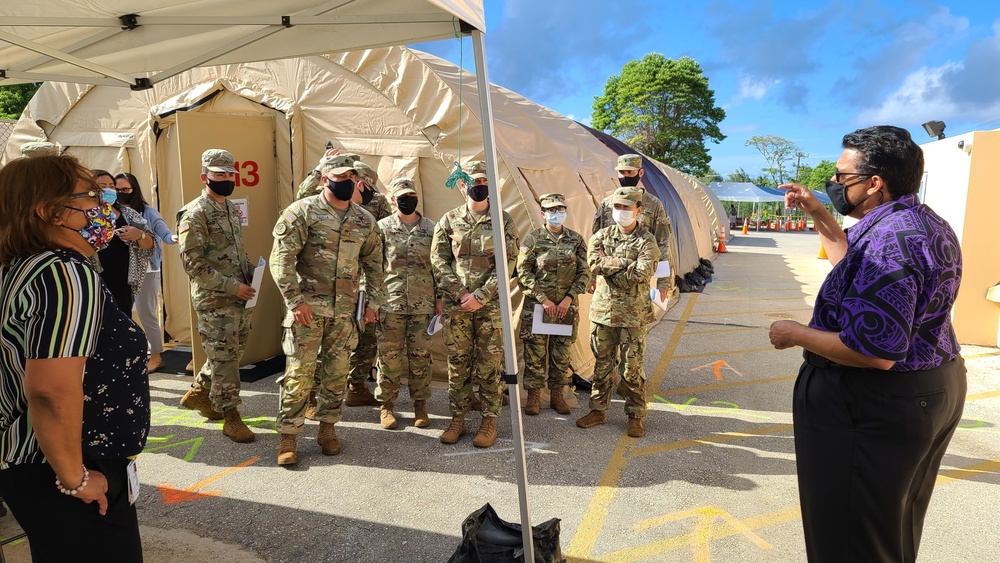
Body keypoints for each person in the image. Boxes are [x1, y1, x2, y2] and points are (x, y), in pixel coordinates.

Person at [769, 125, 966, 563]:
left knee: (849, 539)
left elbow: (874, 352)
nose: (835, 184)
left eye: (843, 177)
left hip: (872, 403)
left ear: (875, 182)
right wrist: (818, 212)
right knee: (886, 528)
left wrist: (794, 333)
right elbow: (847, 263)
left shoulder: (890, 242)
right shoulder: (914, 221)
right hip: (929, 387)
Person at [0, 154, 150, 561]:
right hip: (65, 464)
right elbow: (50, 391)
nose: (103, 208)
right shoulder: (64, 274)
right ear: (48, 211)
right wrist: (75, 478)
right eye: (90, 197)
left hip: (47, 460)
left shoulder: (23, 266)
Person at [270, 154, 383, 465]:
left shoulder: (364, 221)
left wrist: (373, 301)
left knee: (336, 375)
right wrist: (295, 301)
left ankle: (328, 429)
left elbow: (375, 265)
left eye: (352, 178)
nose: (347, 183)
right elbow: (281, 263)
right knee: (299, 375)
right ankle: (289, 437)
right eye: (341, 177)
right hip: (307, 310)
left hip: (344, 314)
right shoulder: (301, 213)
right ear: (324, 179)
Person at [431, 160, 519, 448]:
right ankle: (457, 419)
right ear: (462, 184)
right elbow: (439, 261)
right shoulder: (448, 220)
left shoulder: (503, 221)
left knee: (489, 366)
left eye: (483, 183)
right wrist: (460, 294)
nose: (478, 187)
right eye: (473, 182)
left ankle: (488, 422)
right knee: (458, 364)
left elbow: (508, 263)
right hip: (457, 307)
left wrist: (480, 296)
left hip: (489, 307)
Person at [176, 149, 257, 443]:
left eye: (229, 174)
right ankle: (231, 417)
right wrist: (232, 286)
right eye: (218, 174)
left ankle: (201, 394)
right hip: (215, 299)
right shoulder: (194, 213)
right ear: (205, 176)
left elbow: (235, 251)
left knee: (230, 353)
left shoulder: (230, 209)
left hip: (239, 295)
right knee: (225, 358)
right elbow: (193, 264)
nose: (225, 179)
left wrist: (251, 271)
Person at [577, 187, 659, 437]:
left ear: (638, 210)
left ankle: (635, 415)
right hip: (603, 313)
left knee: (631, 368)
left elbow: (642, 273)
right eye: (617, 207)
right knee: (602, 366)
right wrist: (626, 263)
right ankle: (598, 410)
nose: (621, 212)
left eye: (626, 207)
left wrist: (611, 265)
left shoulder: (647, 240)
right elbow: (594, 264)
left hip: (633, 315)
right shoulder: (600, 237)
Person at [373, 178, 440, 429]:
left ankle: (420, 407)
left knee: (421, 357)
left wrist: (440, 299)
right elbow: (372, 266)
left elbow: (439, 267)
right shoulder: (381, 228)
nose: (407, 199)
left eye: (411, 195)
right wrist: (371, 302)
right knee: (389, 358)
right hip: (390, 303)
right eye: (402, 196)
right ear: (393, 199)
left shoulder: (432, 229)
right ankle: (386, 406)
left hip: (423, 306)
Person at [516, 193, 589, 416]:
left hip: (565, 308)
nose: (557, 214)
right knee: (535, 354)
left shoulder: (575, 240)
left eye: (560, 209)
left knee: (561, 354)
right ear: (542, 213)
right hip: (538, 307)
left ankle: (558, 394)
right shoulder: (532, 239)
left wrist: (568, 299)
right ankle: (534, 396)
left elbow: (584, 272)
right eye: (551, 210)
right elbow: (523, 272)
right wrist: (543, 299)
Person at [115, 172, 178, 372]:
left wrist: (172, 238)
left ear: (134, 190)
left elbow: (162, 231)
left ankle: (157, 355)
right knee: (121, 314)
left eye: (125, 189)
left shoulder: (146, 211)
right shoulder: (112, 212)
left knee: (146, 313)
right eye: (117, 190)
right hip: (122, 269)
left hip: (148, 269)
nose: (120, 193)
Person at [592, 154, 673, 302]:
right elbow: (596, 242)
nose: (625, 176)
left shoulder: (653, 204)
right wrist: (591, 275)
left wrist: (663, 281)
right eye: (622, 172)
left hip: (637, 276)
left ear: (640, 173)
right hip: (608, 278)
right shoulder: (607, 203)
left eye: (630, 172)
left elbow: (662, 243)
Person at [345, 159, 393, 408]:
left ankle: (356, 386)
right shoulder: (325, 201)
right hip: (337, 283)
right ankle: (314, 395)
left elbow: (385, 238)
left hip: (366, 279)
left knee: (367, 335)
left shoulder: (377, 202)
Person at [93, 169, 155, 314]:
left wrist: (139, 235)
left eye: (111, 186)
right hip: (94, 279)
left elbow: (151, 245)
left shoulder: (129, 214)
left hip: (122, 281)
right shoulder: (82, 215)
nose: (109, 190)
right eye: (103, 186)